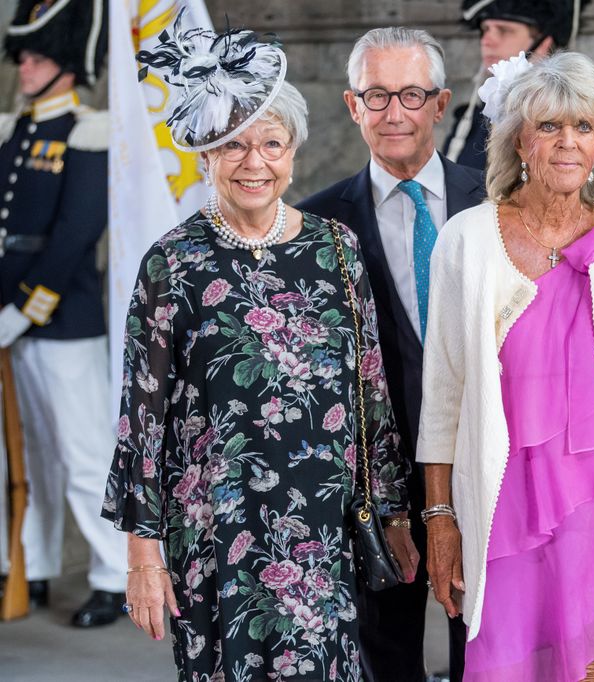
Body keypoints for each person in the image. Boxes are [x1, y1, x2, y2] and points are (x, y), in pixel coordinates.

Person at [101, 17, 415, 681]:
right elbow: (142, 417)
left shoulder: (334, 248)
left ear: (293, 150)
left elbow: (369, 388)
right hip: (214, 529)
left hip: (321, 528)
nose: (255, 163)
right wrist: (142, 557)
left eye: (271, 144)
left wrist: (391, 512)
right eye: (234, 146)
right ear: (205, 156)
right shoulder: (173, 262)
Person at [418, 51, 594, 682]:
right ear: (519, 142)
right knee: (505, 663)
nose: (568, 143)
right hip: (502, 495)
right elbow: (444, 391)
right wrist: (439, 518)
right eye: (550, 127)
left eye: (584, 128)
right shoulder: (468, 238)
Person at [298, 27, 485, 682]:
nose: (395, 113)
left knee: (486, 652)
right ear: (353, 106)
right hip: (372, 495)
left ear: (441, 103)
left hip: (487, 470)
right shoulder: (313, 227)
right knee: (384, 661)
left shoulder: (499, 205)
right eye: (377, 96)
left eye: (411, 93)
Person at [0, 0, 126, 627]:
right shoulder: (15, 132)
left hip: (62, 317)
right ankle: (34, 566)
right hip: (9, 316)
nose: (25, 66)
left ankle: (112, 574)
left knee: (80, 452)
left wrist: (23, 309)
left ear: (68, 65)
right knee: (30, 455)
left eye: (40, 55)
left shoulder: (87, 130)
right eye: (23, 55)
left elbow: (77, 232)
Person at [443, 0, 594, 213]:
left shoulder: (586, 122)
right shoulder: (470, 121)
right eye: (485, 29)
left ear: (544, 42)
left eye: (504, 31)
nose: (487, 40)